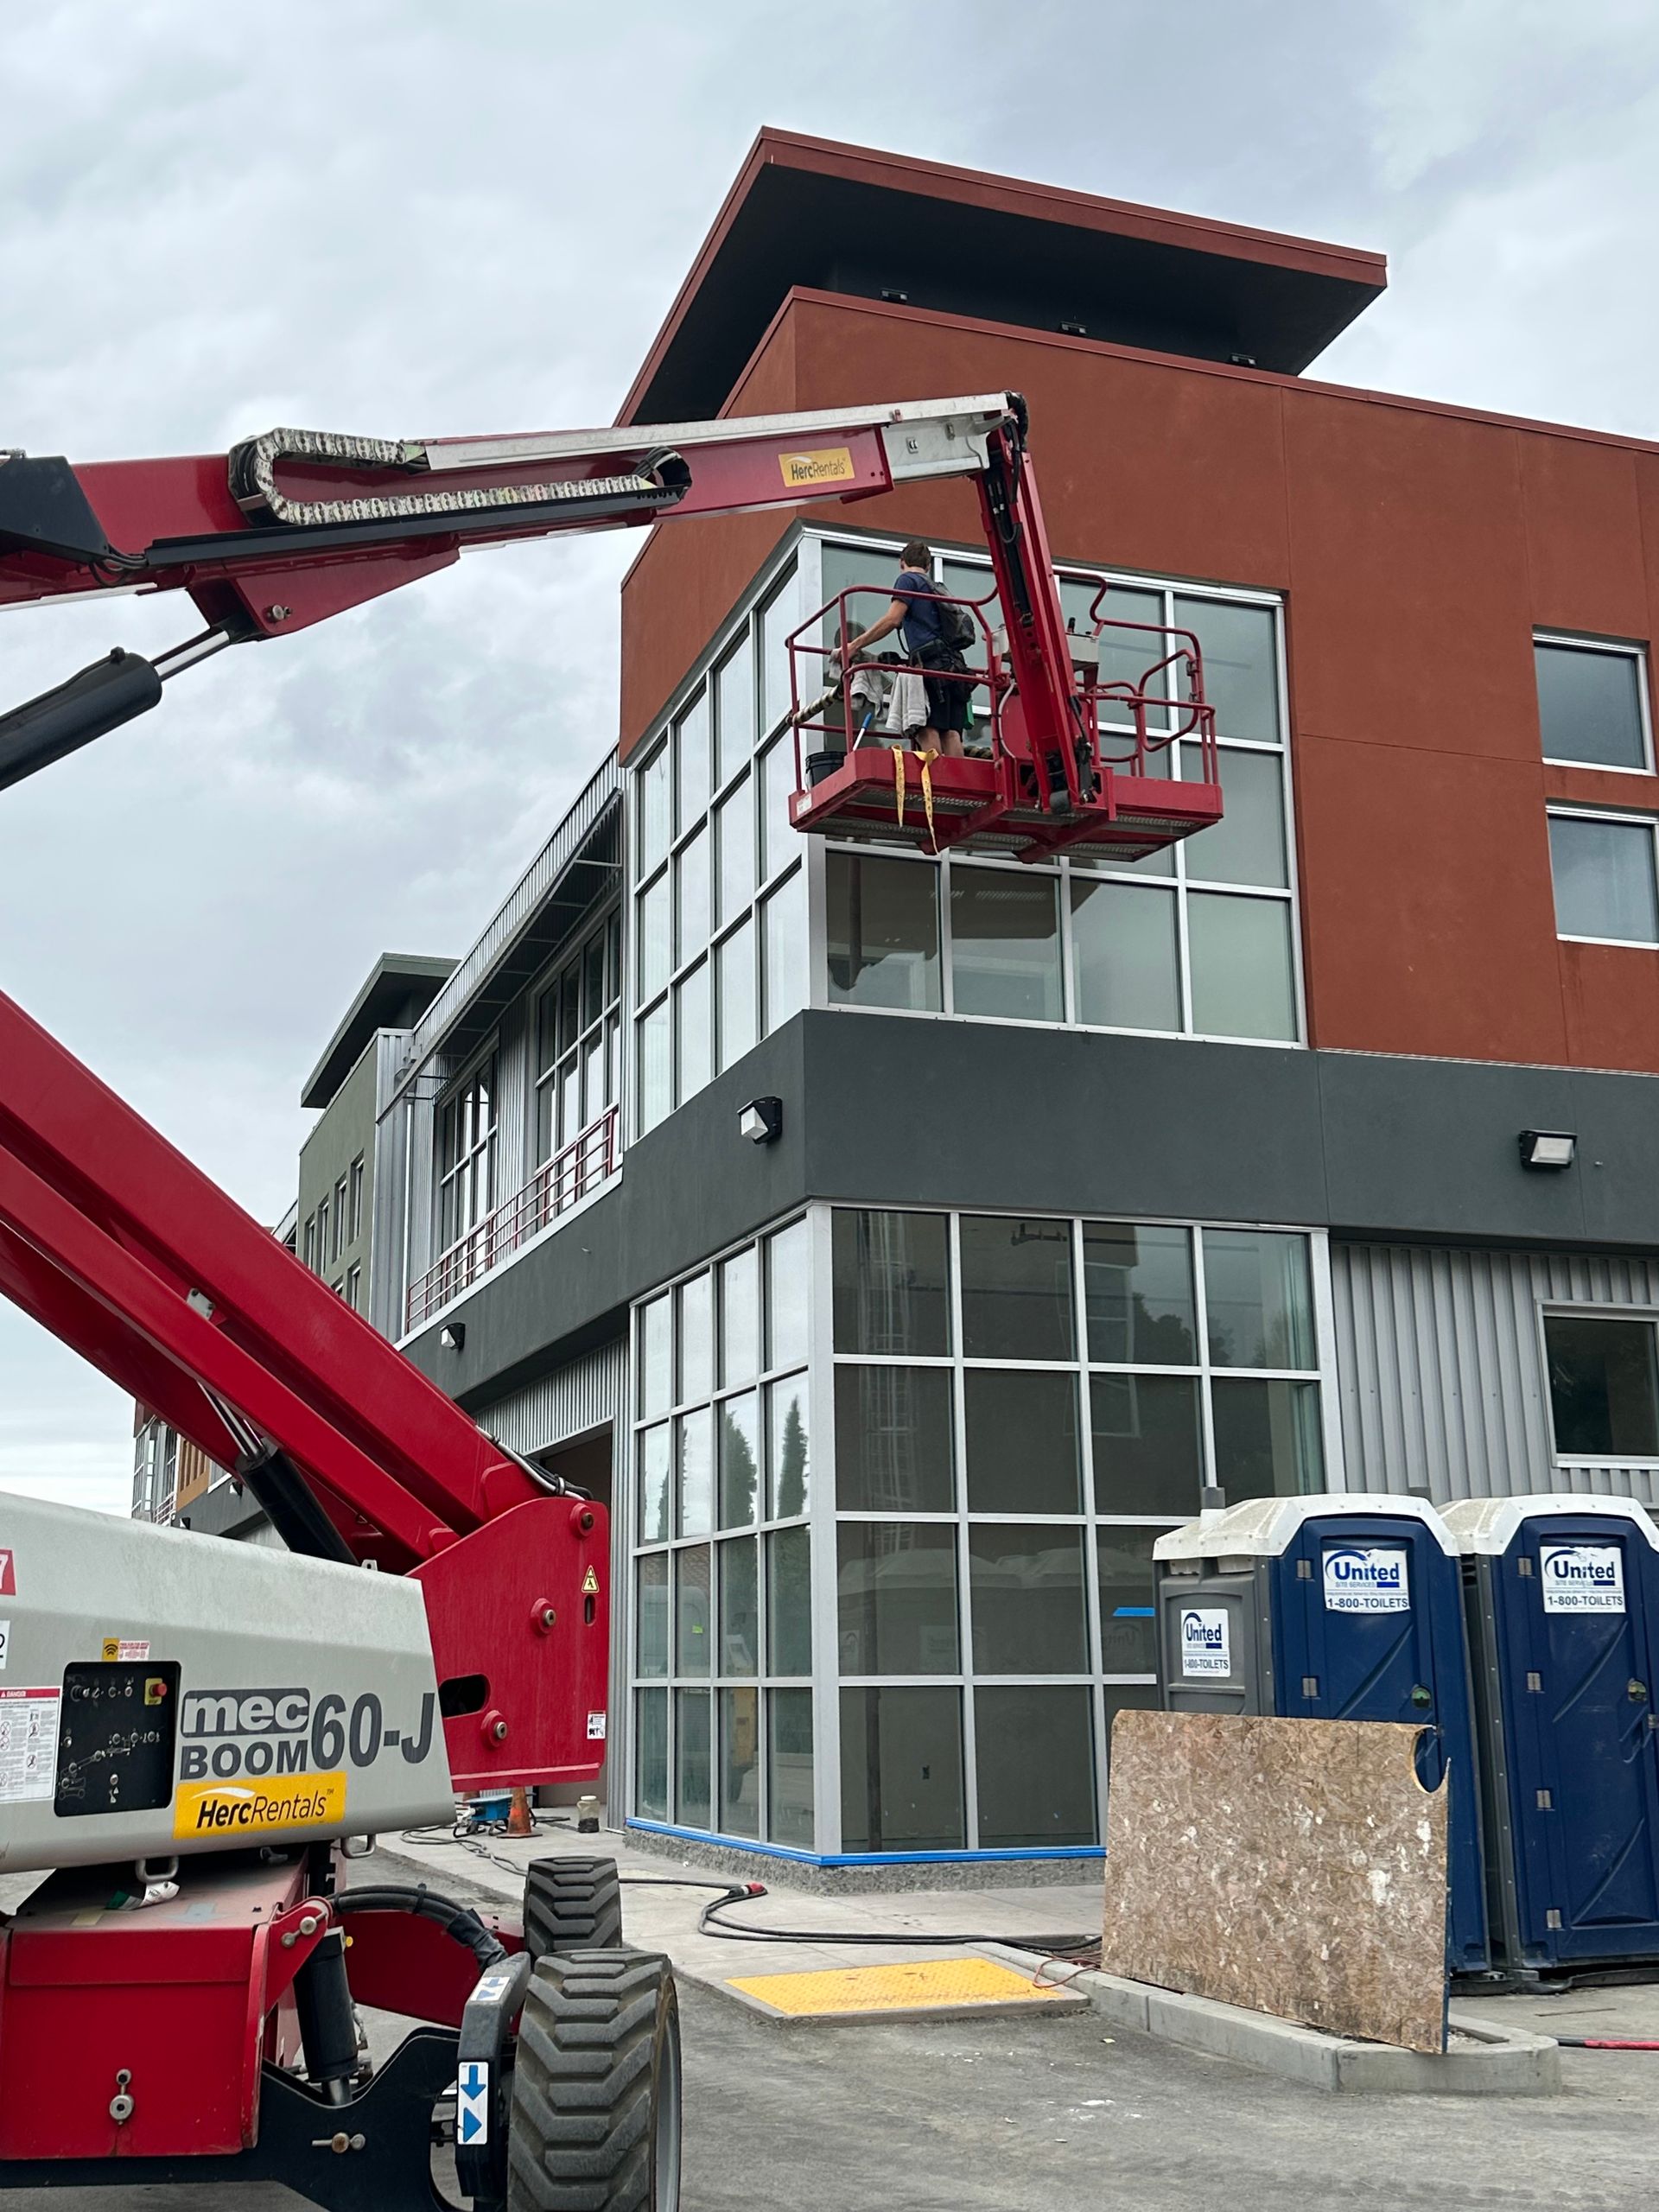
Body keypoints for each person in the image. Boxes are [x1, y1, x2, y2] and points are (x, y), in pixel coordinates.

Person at [842, 541, 969, 759]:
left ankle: (936, 784)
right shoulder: (936, 588)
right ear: (928, 565)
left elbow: (893, 619)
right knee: (951, 731)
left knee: (926, 726)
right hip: (955, 666)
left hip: (930, 664)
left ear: (902, 563)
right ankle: (959, 788)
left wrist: (855, 645)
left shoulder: (907, 580)